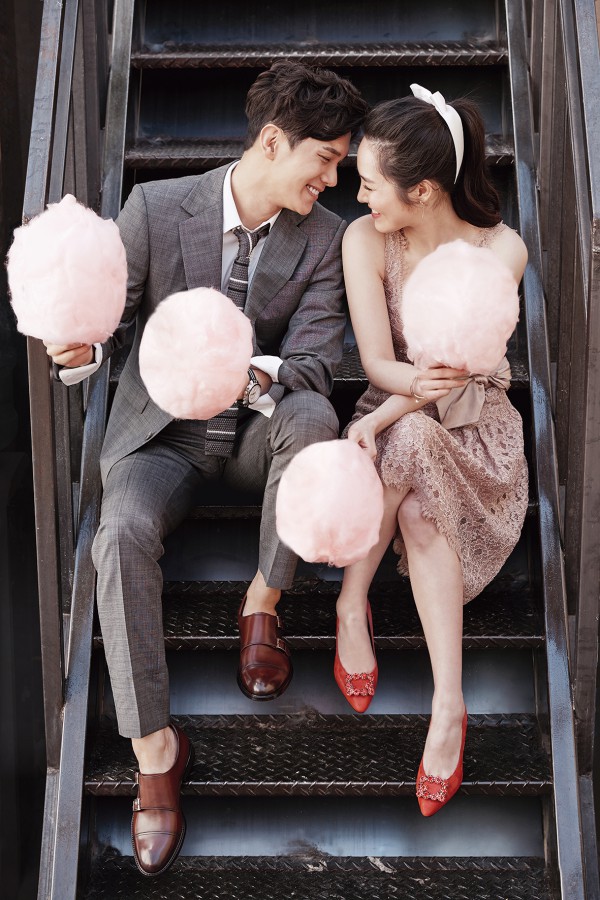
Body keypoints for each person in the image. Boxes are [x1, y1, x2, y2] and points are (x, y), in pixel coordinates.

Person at [43, 61, 367, 876]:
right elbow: (107, 325)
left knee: (315, 419)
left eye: (341, 165)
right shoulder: (155, 208)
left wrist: (246, 373)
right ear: (273, 141)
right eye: (326, 159)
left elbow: (316, 362)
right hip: (163, 439)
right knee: (118, 533)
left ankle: (263, 604)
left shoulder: (326, 237)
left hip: (256, 432)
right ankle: (156, 755)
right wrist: (78, 350)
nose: (334, 179)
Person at [333, 85, 529, 816]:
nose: (359, 197)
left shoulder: (500, 248)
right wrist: (390, 406)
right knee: (414, 496)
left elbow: (452, 371)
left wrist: (383, 418)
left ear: (422, 190)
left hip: (476, 434)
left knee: (414, 448)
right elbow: (380, 362)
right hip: (398, 410)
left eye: (370, 185)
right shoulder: (365, 240)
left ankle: (357, 608)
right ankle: (446, 699)